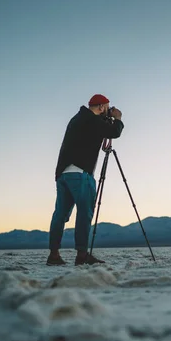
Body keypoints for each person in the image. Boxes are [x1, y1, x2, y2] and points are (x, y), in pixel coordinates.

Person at [46, 94, 124, 266]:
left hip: (63, 174)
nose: (108, 111)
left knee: (60, 214)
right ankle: (82, 255)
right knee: (84, 213)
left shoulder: (78, 119)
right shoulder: (92, 120)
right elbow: (114, 132)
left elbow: (99, 134)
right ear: (102, 107)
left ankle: (54, 255)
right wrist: (117, 118)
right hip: (80, 174)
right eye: (107, 108)